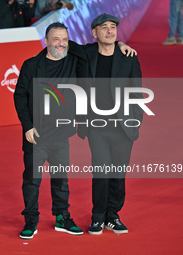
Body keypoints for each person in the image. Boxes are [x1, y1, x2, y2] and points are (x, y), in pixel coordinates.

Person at [14, 22, 88, 239]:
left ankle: (62, 217)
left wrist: (120, 43)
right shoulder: (32, 65)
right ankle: (30, 220)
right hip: (36, 135)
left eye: (65, 39)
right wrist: (27, 126)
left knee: (61, 180)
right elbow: (19, 96)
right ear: (45, 41)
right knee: (32, 181)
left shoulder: (73, 61)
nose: (61, 44)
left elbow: (86, 50)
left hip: (62, 134)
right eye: (55, 39)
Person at [79, 13, 143, 235]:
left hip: (123, 126)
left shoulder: (128, 57)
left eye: (113, 27)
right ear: (94, 32)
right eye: (103, 27)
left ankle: (113, 216)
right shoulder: (86, 54)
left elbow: (137, 91)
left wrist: (136, 120)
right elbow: (59, 45)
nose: (109, 31)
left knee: (118, 173)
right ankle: (98, 216)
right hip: (96, 126)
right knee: (101, 170)